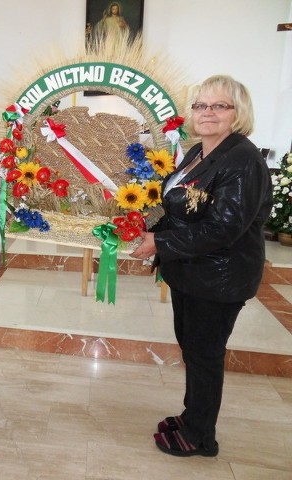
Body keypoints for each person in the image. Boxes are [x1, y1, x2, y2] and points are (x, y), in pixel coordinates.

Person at [131, 75, 273, 457]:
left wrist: (158, 243)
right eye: (200, 105)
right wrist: (149, 226)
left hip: (219, 277)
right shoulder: (201, 150)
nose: (207, 113)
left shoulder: (243, 159)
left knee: (205, 355)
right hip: (191, 273)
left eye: (219, 106)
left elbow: (223, 228)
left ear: (238, 113)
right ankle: (193, 416)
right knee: (193, 349)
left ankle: (200, 437)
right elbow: (182, 207)